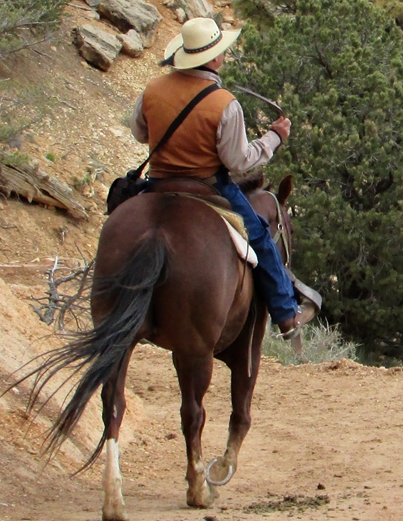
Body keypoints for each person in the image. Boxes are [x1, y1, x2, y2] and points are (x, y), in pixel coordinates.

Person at [127, 17, 315, 337]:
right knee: (258, 236)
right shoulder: (224, 103)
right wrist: (274, 138)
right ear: (213, 57)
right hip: (208, 185)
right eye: (221, 50)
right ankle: (286, 313)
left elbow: (139, 133)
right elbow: (238, 161)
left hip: (158, 183)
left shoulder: (152, 89)